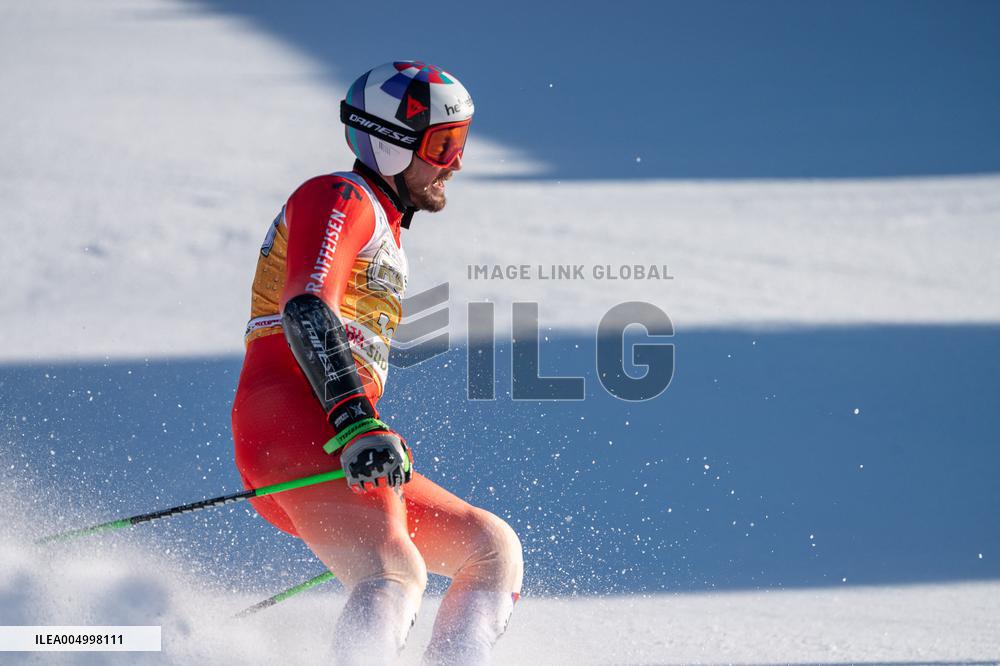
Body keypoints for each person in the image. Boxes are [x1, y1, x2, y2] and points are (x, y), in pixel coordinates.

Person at [231, 61, 523, 664]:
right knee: (393, 573)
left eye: (461, 143)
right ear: (389, 144)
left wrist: (355, 424)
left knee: (490, 548)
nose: (456, 163)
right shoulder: (341, 195)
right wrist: (355, 420)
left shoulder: (384, 222)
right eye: (444, 145)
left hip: (333, 432)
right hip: (293, 419)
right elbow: (307, 306)